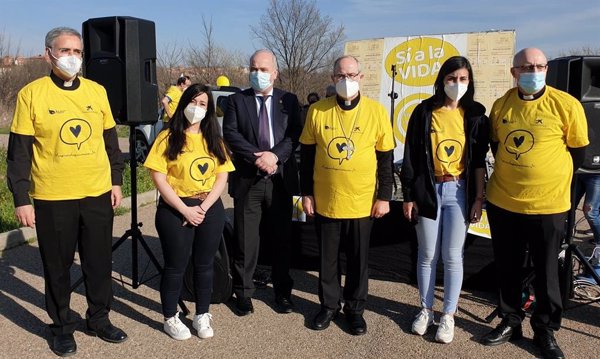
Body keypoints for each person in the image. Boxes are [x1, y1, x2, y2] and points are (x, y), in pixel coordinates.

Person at [6, 27, 127, 357]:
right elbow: (19, 153)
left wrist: (116, 180)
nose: (72, 58)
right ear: (48, 54)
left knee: (99, 262)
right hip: (52, 196)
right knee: (57, 267)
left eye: (77, 52)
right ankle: (61, 326)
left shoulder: (96, 91)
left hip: (97, 192)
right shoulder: (32, 94)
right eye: (65, 51)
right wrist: (21, 198)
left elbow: (110, 143)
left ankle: (98, 318)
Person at [481, 48, 588, 359]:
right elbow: (496, 145)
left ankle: (545, 330)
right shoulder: (501, 106)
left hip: (549, 206)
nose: (534, 71)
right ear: (514, 72)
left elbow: (577, 152)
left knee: (547, 271)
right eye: (527, 66)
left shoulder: (566, 104)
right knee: (508, 267)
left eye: (540, 66)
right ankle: (510, 321)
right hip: (504, 202)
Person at [300, 55, 395, 335]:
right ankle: (329, 306)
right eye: (341, 76)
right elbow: (306, 158)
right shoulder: (317, 111)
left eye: (351, 75)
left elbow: (385, 160)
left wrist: (385, 196)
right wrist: (306, 194)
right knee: (327, 259)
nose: (346, 81)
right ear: (332, 79)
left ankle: (355, 310)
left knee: (357, 260)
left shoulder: (377, 112)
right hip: (327, 199)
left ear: (361, 77)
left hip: (363, 201)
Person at [400, 56, 489, 343]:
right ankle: (425, 310)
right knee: (427, 255)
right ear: (442, 80)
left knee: (452, 257)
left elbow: (477, 162)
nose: (457, 84)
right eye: (452, 78)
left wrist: (478, 198)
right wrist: (409, 196)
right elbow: (412, 156)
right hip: (428, 189)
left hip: (458, 191)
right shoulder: (424, 111)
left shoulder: (474, 115)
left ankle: (448, 315)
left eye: (463, 79)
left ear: (469, 81)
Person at [144, 84, 235, 340]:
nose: (197, 108)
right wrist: (185, 209)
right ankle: (170, 317)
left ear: (209, 110)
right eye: (193, 102)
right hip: (175, 210)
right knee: (176, 265)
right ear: (183, 104)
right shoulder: (167, 137)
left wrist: (203, 208)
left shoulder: (213, 139)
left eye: (203, 104)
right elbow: (159, 177)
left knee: (205, 265)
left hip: (209, 208)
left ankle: (201, 314)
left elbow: (222, 176)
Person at [222, 49, 302, 316]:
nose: (258, 74)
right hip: (249, 179)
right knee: (246, 240)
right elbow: (231, 134)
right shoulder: (236, 101)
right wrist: (258, 157)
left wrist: (274, 157)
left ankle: (283, 292)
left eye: (264, 69)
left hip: (279, 180)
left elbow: (294, 135)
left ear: (275, 73)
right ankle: (243, 293)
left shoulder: (289, 101)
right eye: (254, 69)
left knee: (281, 239)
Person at [574, 173, 600, 245]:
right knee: (569, 207)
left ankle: (599, 243)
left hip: (596, 174)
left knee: (591, 213)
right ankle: (567, 236)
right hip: (578, 171)